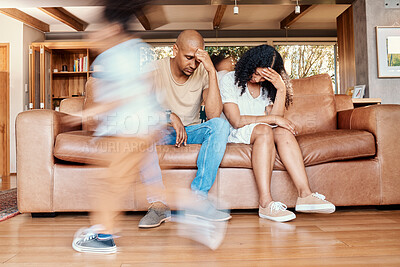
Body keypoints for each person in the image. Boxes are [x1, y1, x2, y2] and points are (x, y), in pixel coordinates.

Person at [219, 45, 335, 222]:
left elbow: (278, 118)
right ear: (249, 64)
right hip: (235, 132)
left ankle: (305, 194)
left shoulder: (267, 87)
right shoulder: (229, 79)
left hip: (259, 131)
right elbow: (236, 120)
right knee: (266, 129)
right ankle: (265, 203)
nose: (257, 80)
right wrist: (272, 120)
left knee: (284, 131)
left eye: (263, 77)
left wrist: (281, 88)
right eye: (256, 73)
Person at [153, 30, 231, 221]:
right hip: (161, 132)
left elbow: (213, 114)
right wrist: (169, 116)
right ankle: (157, 205)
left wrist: (212, 71)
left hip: (191, 131)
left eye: (197, 60)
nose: (193, 65)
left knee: (220, 126)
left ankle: (197, 199)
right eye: (189, 58)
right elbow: (140, 110)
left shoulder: (203, 72)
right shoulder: (155, 69)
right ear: (174, 49)